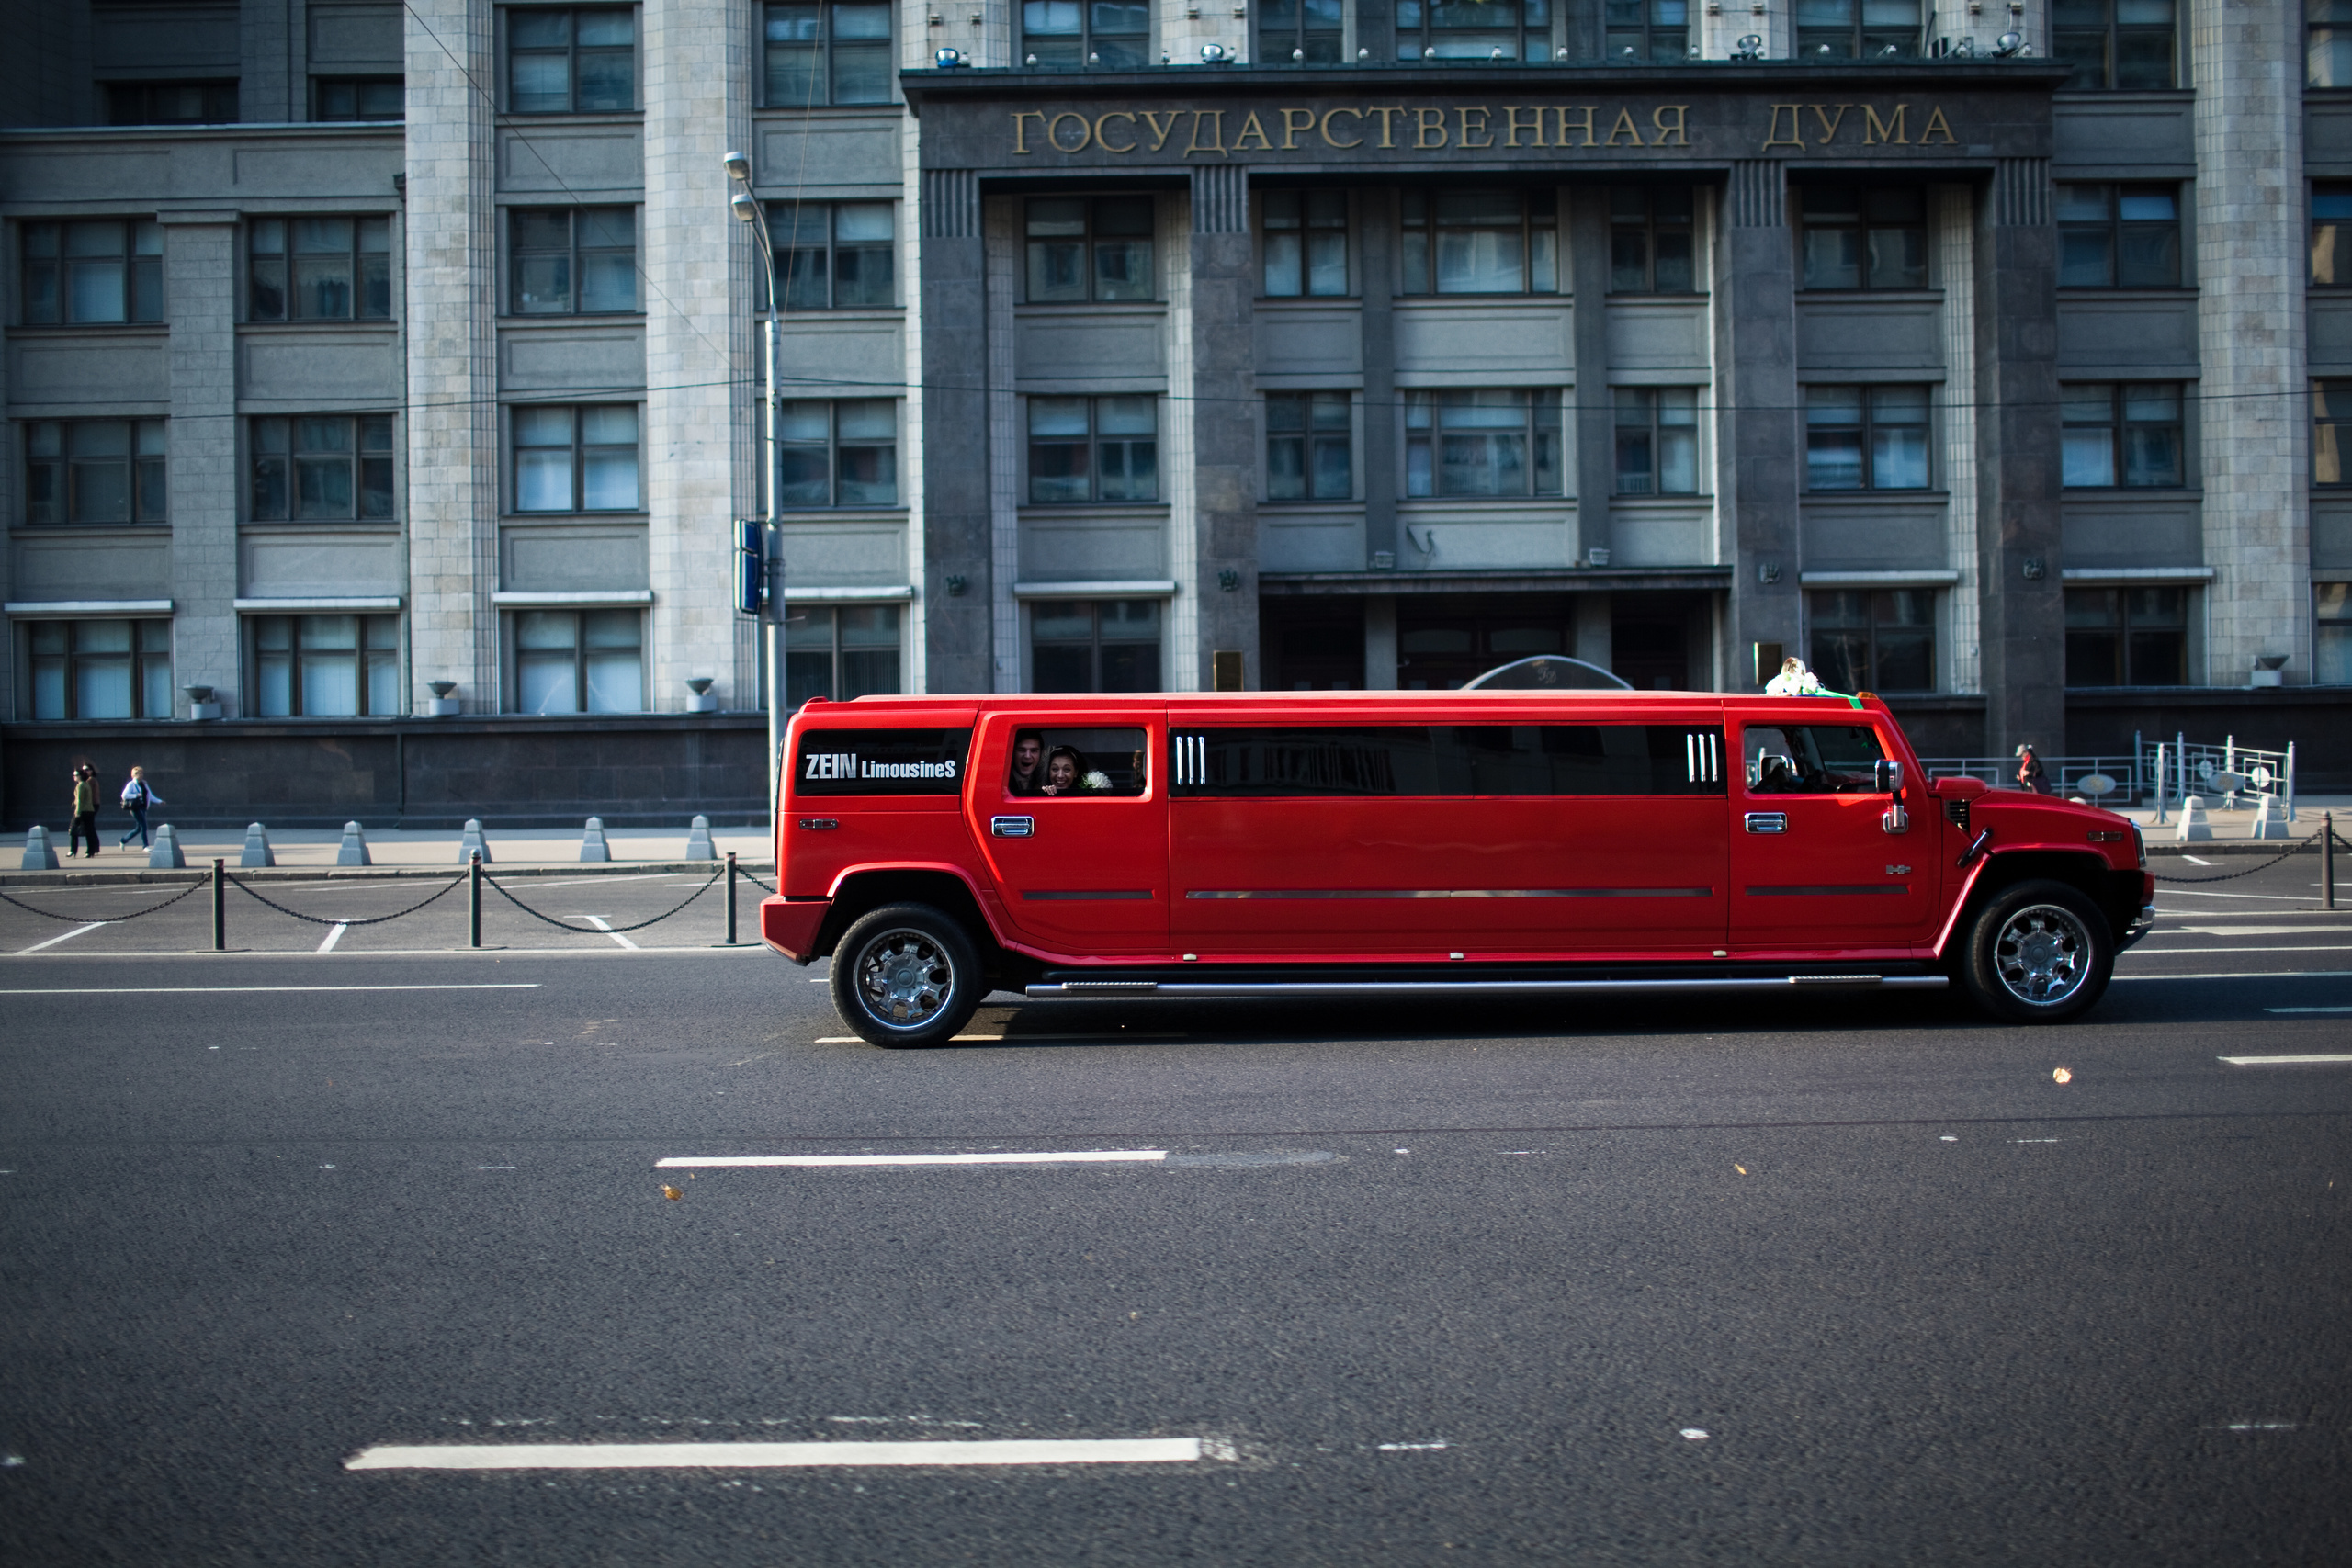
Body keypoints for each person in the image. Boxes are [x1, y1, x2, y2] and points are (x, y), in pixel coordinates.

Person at [118, 765, 163, 848]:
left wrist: (159, 801)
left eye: (142, 773)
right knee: (144, 826)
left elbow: (150, 796)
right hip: (135, 807)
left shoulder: (144, 784)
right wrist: (136, 795)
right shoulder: (131, 784)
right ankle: (145, 846)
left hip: (144, 808)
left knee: (138, 829)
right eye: (139, 773)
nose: (141, 775)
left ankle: (123, 840)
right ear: (134, 775)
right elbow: (124, 795)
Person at [67, 764, 100, 859]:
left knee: (73, 830)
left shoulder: (81, 785)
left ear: (80, 776)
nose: (74, 777)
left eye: (76, 775)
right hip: (89, 810)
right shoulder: (86, 784)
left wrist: (77, 813)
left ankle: (73, 850)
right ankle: (90, 851)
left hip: (82, 810)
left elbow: (80, 800)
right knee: (89, 831)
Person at [1007, 728, 1046, 795]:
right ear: (1013, 753)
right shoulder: (1003, 781)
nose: (1027, 756)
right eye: (1022, 750)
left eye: (1034, 751)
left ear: (1041, 754)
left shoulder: (1043, 782)